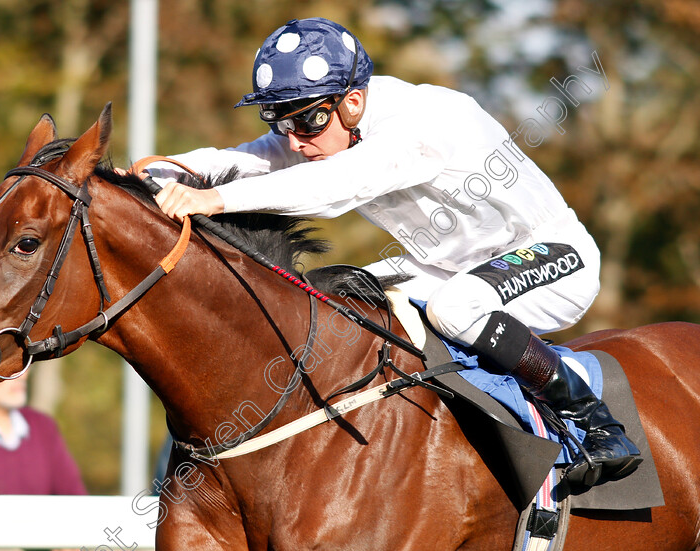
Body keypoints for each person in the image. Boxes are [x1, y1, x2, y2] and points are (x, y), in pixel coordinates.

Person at [128, 18, 642, 487]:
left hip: (553, 256)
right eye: (281, 122)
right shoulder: (329, 120)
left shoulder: (425, 121)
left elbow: (333, 186)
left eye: (304, 123)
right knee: (339, 300)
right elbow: (253, 159)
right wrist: (166, 170)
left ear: (353, 101)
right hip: (446, 266)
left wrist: (212, 199)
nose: (296, 139)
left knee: (457, 307)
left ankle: (596, 423)